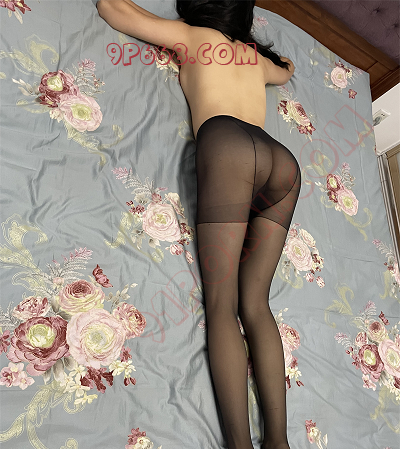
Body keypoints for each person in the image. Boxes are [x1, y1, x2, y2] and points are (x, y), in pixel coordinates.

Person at [95, 1, 301, 448]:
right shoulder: (255, 59)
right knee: (256, 304)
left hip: (229, 148)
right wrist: (269, 54)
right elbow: (286, 70)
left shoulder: (191, 36)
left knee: (222, 305)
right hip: (282, 165)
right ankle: (279, 441)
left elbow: (113, 10)